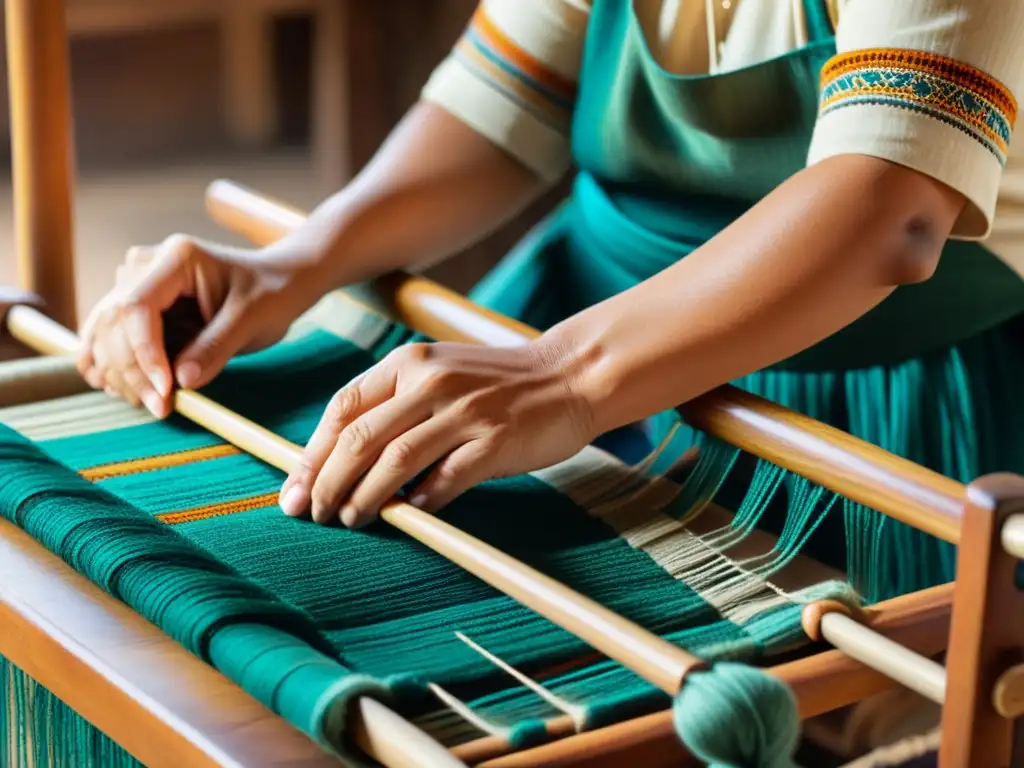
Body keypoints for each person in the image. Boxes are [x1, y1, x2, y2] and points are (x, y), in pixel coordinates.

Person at [78, 0, 1024, 599]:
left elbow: (889, 209)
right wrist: (289, 263)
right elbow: (503, 105)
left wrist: (561, 375)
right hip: (594, 331)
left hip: (877, 413)